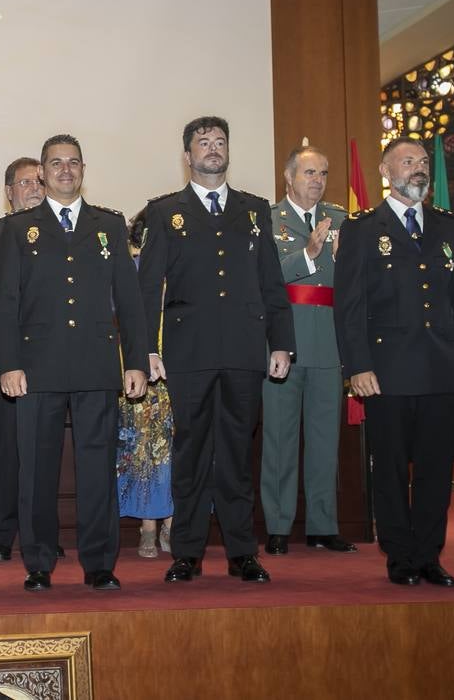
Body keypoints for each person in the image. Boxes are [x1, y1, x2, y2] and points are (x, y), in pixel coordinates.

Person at [138, 116, 294, 586]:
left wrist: (282, 342)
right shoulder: (166, 211)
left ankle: (242, 552)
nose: (212, 148)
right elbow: (147, 288)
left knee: (234, 457)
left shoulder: (253, 210)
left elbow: (271, 282)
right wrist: (146, 348)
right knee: (190, 455)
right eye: (203, 143)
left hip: (245, 351)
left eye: (220, 141)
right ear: (187, 156)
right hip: (190, 353)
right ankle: (186, 552)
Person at [0, 134, 149, 592]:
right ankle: (39, 561)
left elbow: (130, 301)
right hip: (36, 367)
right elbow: (5, 302)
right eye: (55, 163)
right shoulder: (21, 229)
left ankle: (100, 562)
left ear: (83, 170)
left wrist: (135, 361)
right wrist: (8, 364)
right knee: (36, 470)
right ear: (40, 173)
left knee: (98, 467)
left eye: (73, 163)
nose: (65, 170)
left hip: (96, 365)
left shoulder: (108, 225)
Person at [335, 137, 454, 587]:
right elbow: (349, 307)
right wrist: (357, 367)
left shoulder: (448, 227)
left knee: (437, 472)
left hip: (443, 369)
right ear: (386, 172)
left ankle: (429, 555)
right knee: (392, 470)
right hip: (387, 373)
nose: (418, 169)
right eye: (408, 162)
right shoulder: (362, 229)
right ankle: (399, 556)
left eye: (422, 162)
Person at [260, 147, 356, 556]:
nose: (317, 180)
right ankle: (278, 526)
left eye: (323, 173)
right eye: (309, 172)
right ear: (289, 178)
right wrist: (308, 256)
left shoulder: (342, 221)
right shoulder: (266, 220)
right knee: (279, 439)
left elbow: (356, 283)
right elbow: (262, 279)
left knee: (323, 440)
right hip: (284, 342)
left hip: (329, 342)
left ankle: (322, 524)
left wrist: (344, 260)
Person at [0, 156, 46, 562]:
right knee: (6, 449)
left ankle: (42, 534)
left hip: (51, 355)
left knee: (44, 449)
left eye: (39, 181)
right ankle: (2, 532)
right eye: (24, 183)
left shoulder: (62, 232)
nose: (34, 188)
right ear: (8, 193)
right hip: (4, 355)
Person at [119, 211, 173, 559]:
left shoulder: (181, 265)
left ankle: (172, 522)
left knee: (177, 451)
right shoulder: (128, 266)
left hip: (180, 369)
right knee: (143, 451)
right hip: (138, 368)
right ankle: (148, 526)